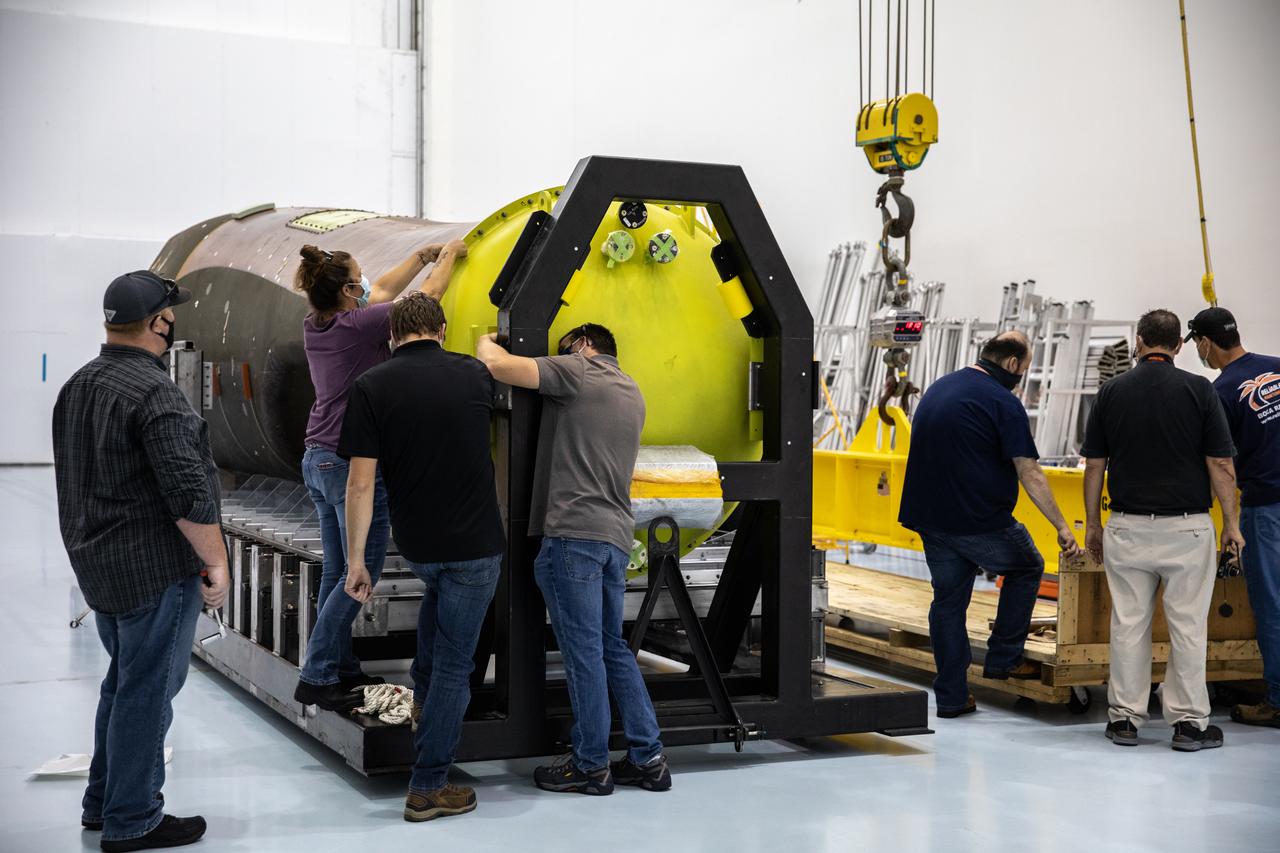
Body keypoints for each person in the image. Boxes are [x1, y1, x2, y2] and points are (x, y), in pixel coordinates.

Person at [53, 271, 228, 852]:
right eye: (169, 315)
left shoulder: (79, 384)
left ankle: (103, 803)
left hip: (99, 566)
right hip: (153, 570)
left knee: (123, 683)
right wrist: (216, 563)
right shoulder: (155, 392)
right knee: (148, 692)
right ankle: (134, 818)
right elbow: (186, 493)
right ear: (159, 323)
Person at [477, 324, 671, 795]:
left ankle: (590, 765)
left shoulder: (579, 371)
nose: (560, 357)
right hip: (615, 537)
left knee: (584, 653)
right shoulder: (632, 390)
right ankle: (649, 759)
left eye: (564, 350)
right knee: (612, 648)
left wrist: (487, 338)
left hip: (573, 536)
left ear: (584, 346)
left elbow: (497, 366)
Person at [339, 293, 505, 822]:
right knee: (457, 665)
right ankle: (430, 785)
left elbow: (359, 485)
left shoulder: (371, 386)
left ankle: (424, 716)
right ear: (442, 329)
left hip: (421, 547)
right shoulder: (474, 374)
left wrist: (356, 561)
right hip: (475, 546)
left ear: (392, 335)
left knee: (436, 645)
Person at [293, 238, 467, 711]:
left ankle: (340, 668)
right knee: (359, 574)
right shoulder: (360, 325)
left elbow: (385, 289)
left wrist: (420, 255)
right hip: (349, 462)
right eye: (359, 279)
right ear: (350, 291)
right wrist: (449, 257)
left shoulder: (317, 323)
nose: (368, 283)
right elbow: (423, 302)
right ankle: (316, 675)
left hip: (317, 457)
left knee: (336, 575)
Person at [1082, 308, 1243, 751]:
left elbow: (1094, 465)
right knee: (1188, 626)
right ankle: (1189, 724)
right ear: (1178, 346)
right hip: (1187, 530)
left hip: (1127, 527)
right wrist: (1231, 524)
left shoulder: (1112, 391)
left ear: (1138, 341)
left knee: (1128, 624)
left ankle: (1124, 720)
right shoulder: (1200, 390)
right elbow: (1221, 464)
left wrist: (1093, 524)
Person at [899, 331, 1082, 719]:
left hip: (930, 516)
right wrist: (1062, 527)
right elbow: (1029, 471)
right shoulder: (1003, 402)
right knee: (1027, 566)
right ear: (1013, 364)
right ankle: (1003, 659)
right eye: (1024, 368)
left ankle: (952, 696)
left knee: (948, 602)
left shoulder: (940, 387)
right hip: (977, 519)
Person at [1187, 306, 1280, 727]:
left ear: (1206, 343)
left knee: (1272, 602)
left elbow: (1220, 462)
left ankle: (1277, 700)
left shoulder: (1221, 392)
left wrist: (1224, 520)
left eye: (1197, 345)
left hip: (1267, 507)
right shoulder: (1277, 365)